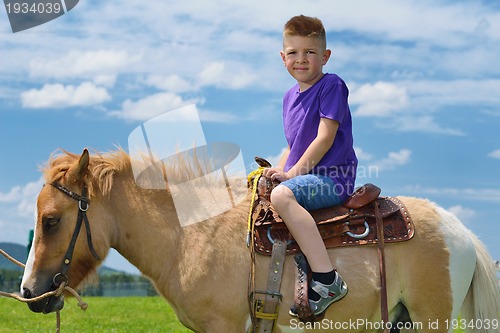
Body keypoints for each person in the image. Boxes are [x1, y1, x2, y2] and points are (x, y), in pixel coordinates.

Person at [263, 15, 357, 316]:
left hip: (332, 178)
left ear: (325, 56)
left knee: (282, 197)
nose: (300, 60)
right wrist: (277, 172)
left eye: (309, 52)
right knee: (267, 193)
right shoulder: (289, 97)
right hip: (304, 175)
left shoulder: (331, 85)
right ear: (282, 57)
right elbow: (293, 145)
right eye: (293, 53)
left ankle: (328, 280)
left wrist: (290, 177)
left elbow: (325, 138)